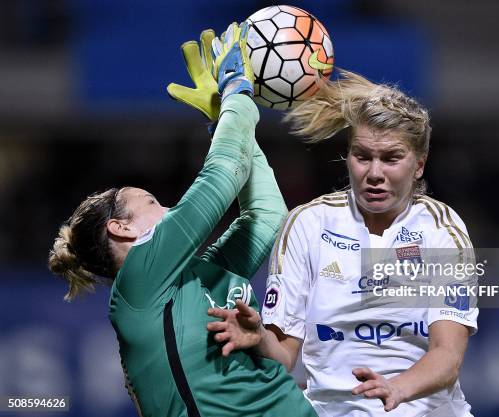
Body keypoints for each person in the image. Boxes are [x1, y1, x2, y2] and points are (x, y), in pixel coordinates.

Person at [48, 23, 317, 417]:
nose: (171, 208)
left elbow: (266, 215)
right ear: (121, 229)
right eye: (153, 202)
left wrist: (228, 123)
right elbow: (221, 175)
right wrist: (236, 95)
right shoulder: (140, 279)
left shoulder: (197, 275)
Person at [209, 71, 478, 417]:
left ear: (419, 165)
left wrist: (397, 388)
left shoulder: (442, 230)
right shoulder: (308, 224)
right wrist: (261, 337)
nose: (374, 173)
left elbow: (448, 356)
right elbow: (286, 355)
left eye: (391, 158)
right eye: (362, 156)